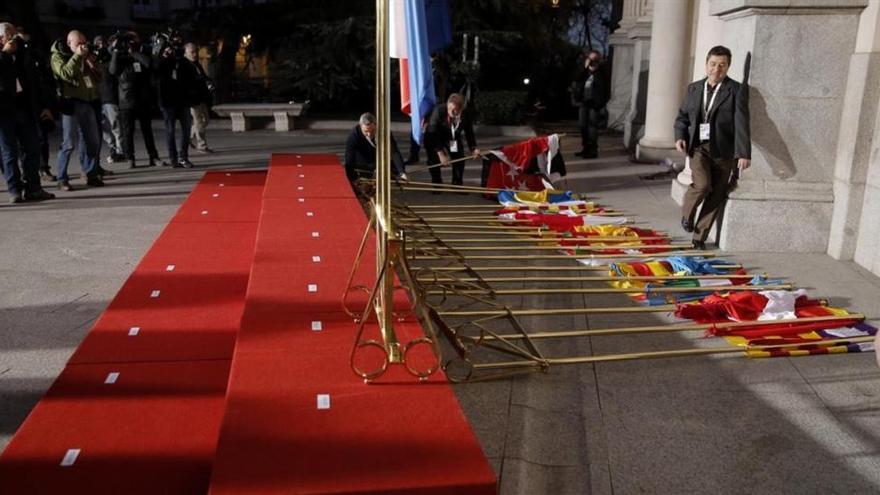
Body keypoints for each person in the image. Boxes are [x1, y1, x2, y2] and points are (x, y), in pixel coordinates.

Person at [674, 45, 751, 250]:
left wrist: (743, 153)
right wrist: (680, 135)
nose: (717, 69)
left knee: (716, 194)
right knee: (702, 185)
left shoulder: (735, 90)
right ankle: (687, 215)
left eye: (722, 65)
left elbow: (742, 122)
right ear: (706, 64)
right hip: (699, 147)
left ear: (728, 67)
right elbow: (682, 117)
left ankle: (699, 238)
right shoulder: (694, 88)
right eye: (713, 64)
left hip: (724, 150)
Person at [0, 22, 55, 203]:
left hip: (24, 107)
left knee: (32, 148)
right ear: (1, 38)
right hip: (4, 111)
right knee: (9, 152)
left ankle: (33, 188)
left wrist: (44, 106)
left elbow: (36, 82)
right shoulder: (4, 55)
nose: (13, 38)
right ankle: (14, 190)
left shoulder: (25, 54)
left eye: (14, 34)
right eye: (9, 35)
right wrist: (5, 54)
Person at [51, 29, 104, 190]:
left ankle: (91, 174)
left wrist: (93, 64)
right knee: (68, 143)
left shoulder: (85, 56)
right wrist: (77, 56)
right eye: (78, 43)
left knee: (93, 142)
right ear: (69, 43)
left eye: (83, 42)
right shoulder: (58, 56)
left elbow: (100, 77)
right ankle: (62, 178)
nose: (82, 46)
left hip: (87, 102)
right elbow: (65, 74)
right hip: (70, 104)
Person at [110, 31, 160, 168]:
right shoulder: (119, 55)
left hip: (143, 98)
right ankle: (130, 158)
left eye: (134, 39)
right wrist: (115, 50)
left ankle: (153, 157)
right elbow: (113, 70)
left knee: (147, 130)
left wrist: (134, 52)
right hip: (126, 100)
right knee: (127, 131)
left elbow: (150, 64)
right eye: (129, 40)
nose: (131, 42)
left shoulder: (141, 52)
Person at [156, 32, 198, 168]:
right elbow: (155, 69)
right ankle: (173, 159)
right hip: (167, 101)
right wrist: (164, 55)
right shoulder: (161, 60)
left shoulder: (182, 61)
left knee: (186, 129)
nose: (172, 49)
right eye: (169, 46)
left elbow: (191, 74)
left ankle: (183, 157)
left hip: (182, 99)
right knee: (170, 131)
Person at [424, 93, 479, 186]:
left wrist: (474, 148)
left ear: (461, 109)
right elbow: (432, 132)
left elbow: (469, 132)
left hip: (452, 137)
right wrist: (441, 154)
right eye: (449, 109)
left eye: (455, 110)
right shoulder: (439, 111)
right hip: (434, 136)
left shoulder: (466, 114)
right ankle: (437, 183)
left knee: (459, 158)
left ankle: (457, 183)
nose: (451, 112)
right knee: (434, 159)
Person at [344, 112, 406, 185]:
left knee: (394, 169)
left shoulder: (384, 131)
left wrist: (402, 172)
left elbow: (394, 151)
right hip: (363, 163)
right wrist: (353, 180)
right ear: (360, 127)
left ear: (376, 125)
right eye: (366, 131)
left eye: (372, 131)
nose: (369, 134)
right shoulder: (354, 135)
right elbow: (349, 159)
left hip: (378, 159)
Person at [570, 49, 607, 159]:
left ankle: (593, 150)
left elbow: (603, 87)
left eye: (595, 59)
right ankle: (585, 148)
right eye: (590, 59)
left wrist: (596, 71)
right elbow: (576, 78)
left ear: (599, 60)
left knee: (592, 127)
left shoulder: (602, 72)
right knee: (582, 126)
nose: (592, 61)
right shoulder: (585, 72)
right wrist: (585, 68)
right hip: (583, 102)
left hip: (594, 103)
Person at [95, 35, 123, 164]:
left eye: (102, 44)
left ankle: (120, 150)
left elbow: (114, 71)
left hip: (110, 97)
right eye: (98, 44)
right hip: (96, 98)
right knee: (102, 127)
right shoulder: (93, 60)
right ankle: (112, 147)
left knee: (115, 125)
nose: (100, 46)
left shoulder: (110, 59)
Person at [184, 43, 214, 154]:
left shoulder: (196, 63)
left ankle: (188, 136)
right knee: (199, 122)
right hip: (192, 98)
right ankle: (202, 145)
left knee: (205, 120)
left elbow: (203, 77)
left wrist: (208, 82)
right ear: (185, 53)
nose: (195, 54)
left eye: (195, 51)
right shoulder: (185, 65)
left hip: (201, 97)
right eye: (192, 52)